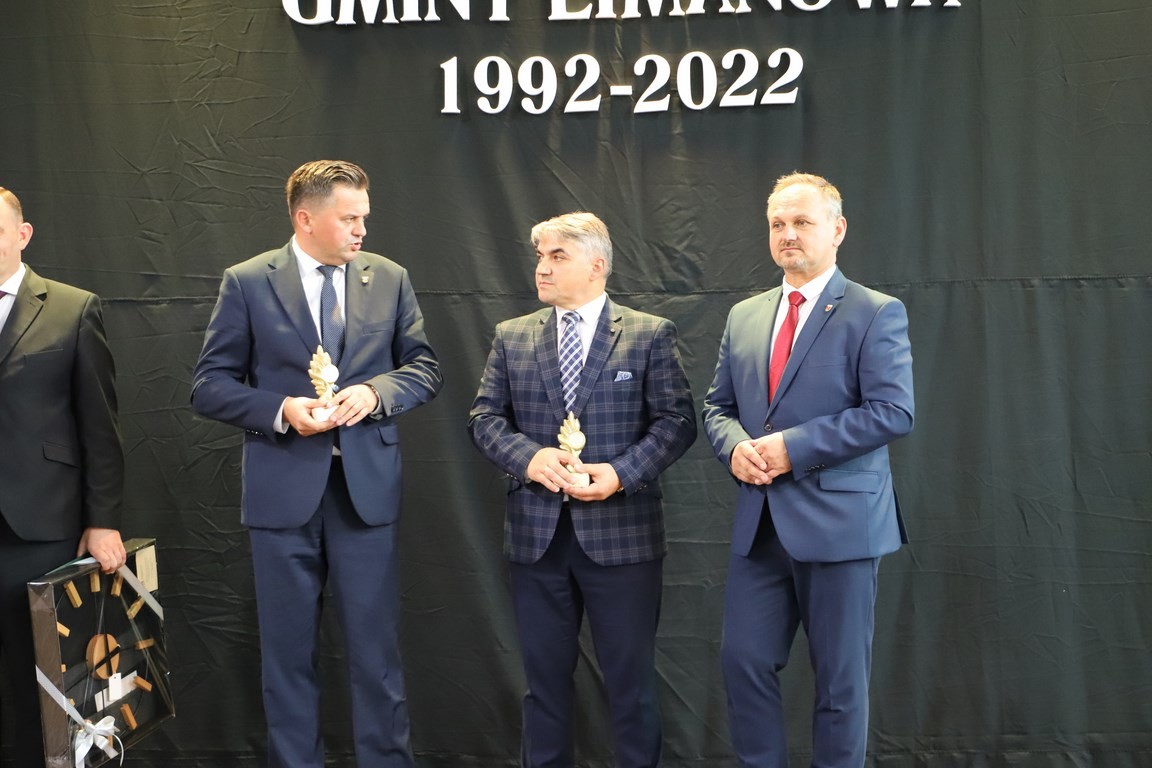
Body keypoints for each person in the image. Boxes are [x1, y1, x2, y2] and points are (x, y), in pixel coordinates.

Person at [191, 160, 442, 768]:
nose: (362, 230)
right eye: (349, 218)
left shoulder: (389, 278)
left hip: (366, 496)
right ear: (305, 218)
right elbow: (208, 385)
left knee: (377, 659)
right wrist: (282, 409)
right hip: (282, 495)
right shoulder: (248, 282)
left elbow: (424, 369)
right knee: (286, 659)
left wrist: (376, 393)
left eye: (364, 218)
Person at [468, 212, 697, 768]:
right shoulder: (513, 336)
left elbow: (676, 422)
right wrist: (530, 459)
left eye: (557, 256)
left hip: (623, 538)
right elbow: (484, 419)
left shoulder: (648, 334)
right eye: (540, 256)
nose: (541, 268)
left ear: (597, 266)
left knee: (631, 687)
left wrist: (619, 473)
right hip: (537, 540)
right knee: (543, 688)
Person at [701, 173, 915, 768]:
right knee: (743, 663)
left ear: (837, 230)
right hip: (761, 526)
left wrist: (791, 448)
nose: (788, 234)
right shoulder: (744, 315)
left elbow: (893, 411)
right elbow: (717, 407)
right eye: (777, 224)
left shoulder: (875, 311)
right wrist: (735, 447)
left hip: (841, 526)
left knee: (840, 685)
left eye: (802, 222)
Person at [0, 186, 127, 766]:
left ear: (23, 235)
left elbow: (100, 426)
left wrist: (102, 521)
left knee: (45, 691)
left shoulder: (73, 309)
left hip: (41, 528)